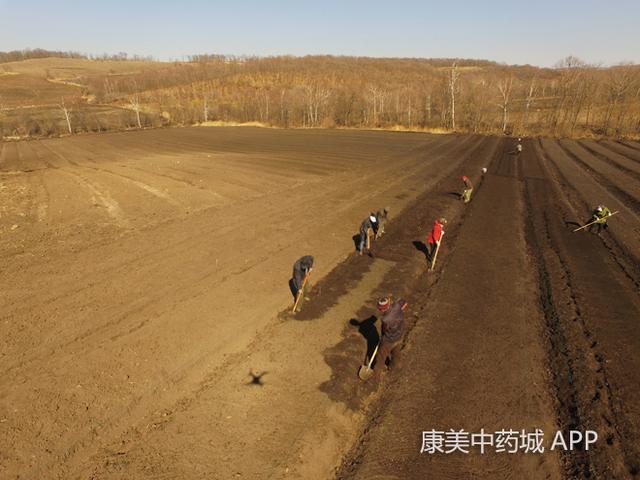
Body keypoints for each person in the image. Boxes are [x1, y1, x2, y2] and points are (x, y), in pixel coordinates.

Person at [373, 297, 408, 377]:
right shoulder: (397, 305)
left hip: (389, 340)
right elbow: (404, 302)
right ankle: (396, 367)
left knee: (381, 356)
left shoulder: (386, 319)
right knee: (396, 352)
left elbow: (385, 331)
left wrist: (382, 338)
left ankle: (376, 374)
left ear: (382, 310)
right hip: (400, 335)